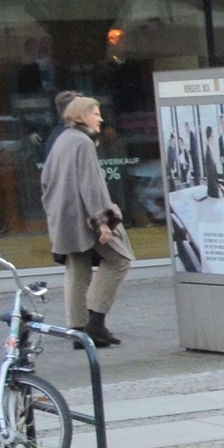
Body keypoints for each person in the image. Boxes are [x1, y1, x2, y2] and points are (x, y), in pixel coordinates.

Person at [42, 95, 130, 346]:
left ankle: (78, 331)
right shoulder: (82, 142)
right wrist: (103, 221)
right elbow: (91, 185)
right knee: (120, 260)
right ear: (81, 115)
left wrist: (56, 212)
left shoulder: (63, 139)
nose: (100, 118)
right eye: (95, 113)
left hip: (65, 217)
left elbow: (46, 182)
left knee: (77, 268)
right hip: (83, 217)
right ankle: (95, 323)